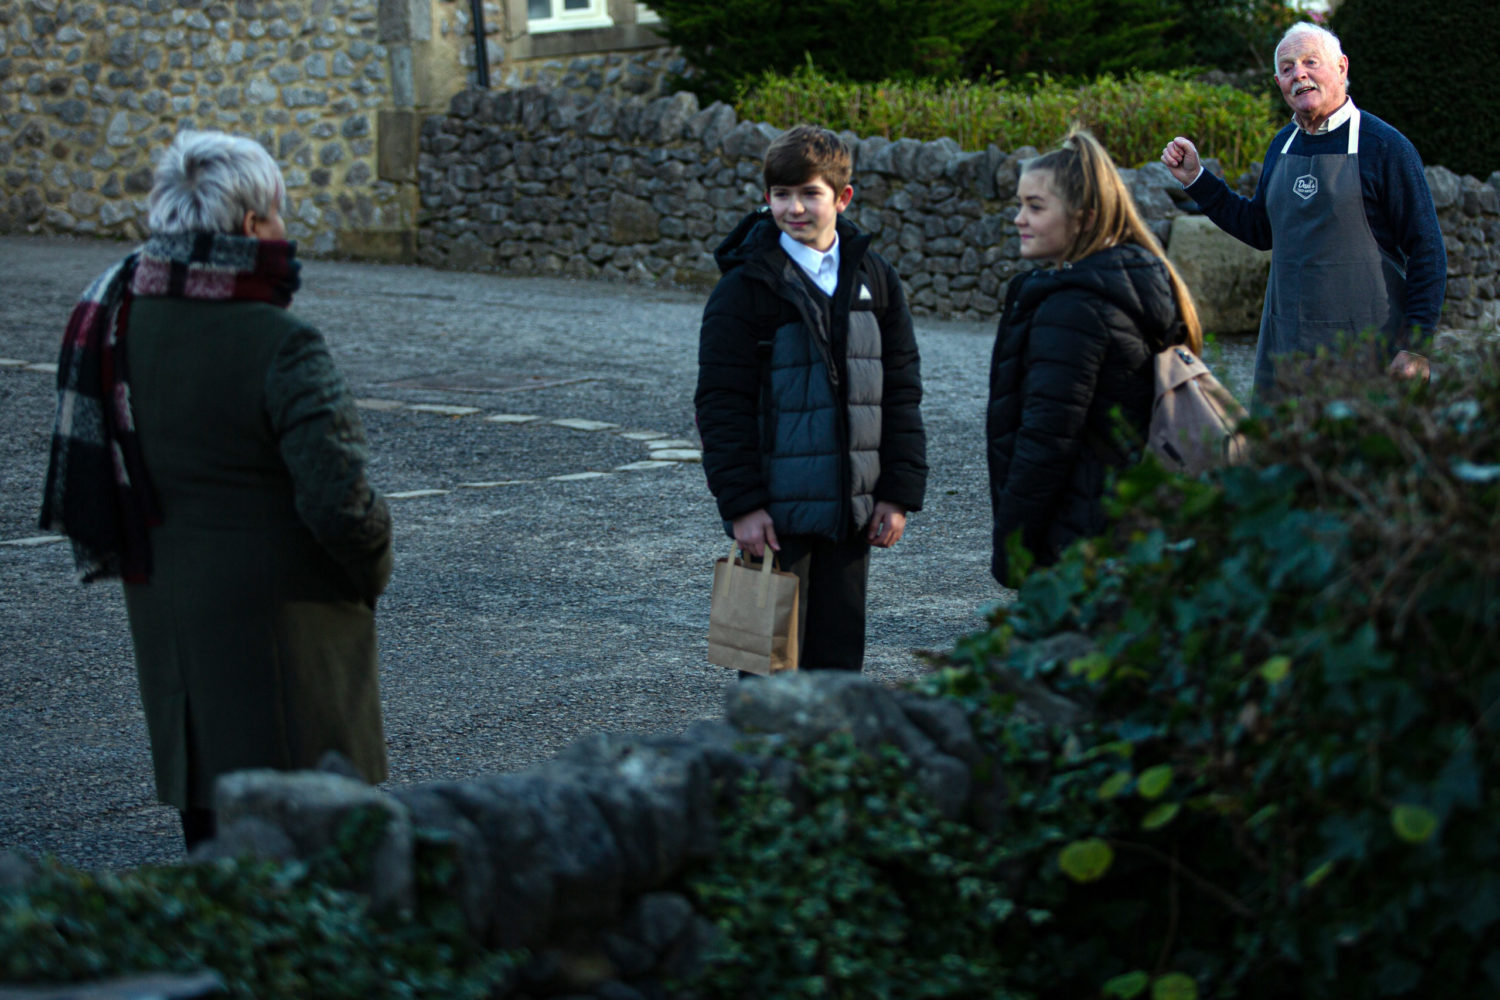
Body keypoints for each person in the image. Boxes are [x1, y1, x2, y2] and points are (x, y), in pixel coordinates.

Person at [39, 130, 393, 850]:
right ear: (254, 224)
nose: (285, 231)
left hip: (171, 620)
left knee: (210, 840)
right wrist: (372, 568)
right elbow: (340, 504)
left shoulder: (118, 314)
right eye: (281, 215)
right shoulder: (279, 341)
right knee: (308, 865)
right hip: (287, 640)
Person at [694, 124, 927, 672]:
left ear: (843, 197)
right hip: (777, 516)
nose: (794, 208)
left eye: (809, 194)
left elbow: (901, 391)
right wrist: (742, 504)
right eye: (781, 195)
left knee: (836, 671)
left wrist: (896, 492)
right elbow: (720, 404)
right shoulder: (743, 288)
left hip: (853, 512)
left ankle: (831, 760)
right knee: (769, 673)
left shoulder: (876, 277)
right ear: (766, 197)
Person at [1162, 22, 1445, 401]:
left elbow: (1428, 248)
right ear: (1278, 82)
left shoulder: (1386, 147)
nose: (1300, 74)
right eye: (1287, 67)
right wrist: (1196, 178)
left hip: (1369, 353)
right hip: (1286, 352)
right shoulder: (1282, 145)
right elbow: (1260, 229)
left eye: (1311, 61)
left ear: (1342, 67)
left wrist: (1416, 345)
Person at [989, 128, 1203, 587]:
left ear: (1083, 218)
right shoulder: (1138, 279)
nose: (1018, 220)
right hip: (1126, 528)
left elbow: (1047, 442)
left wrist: (1014, 550)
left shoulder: (1075, 308)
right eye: (1020, 204)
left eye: (1035, 206)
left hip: (1078, 540)